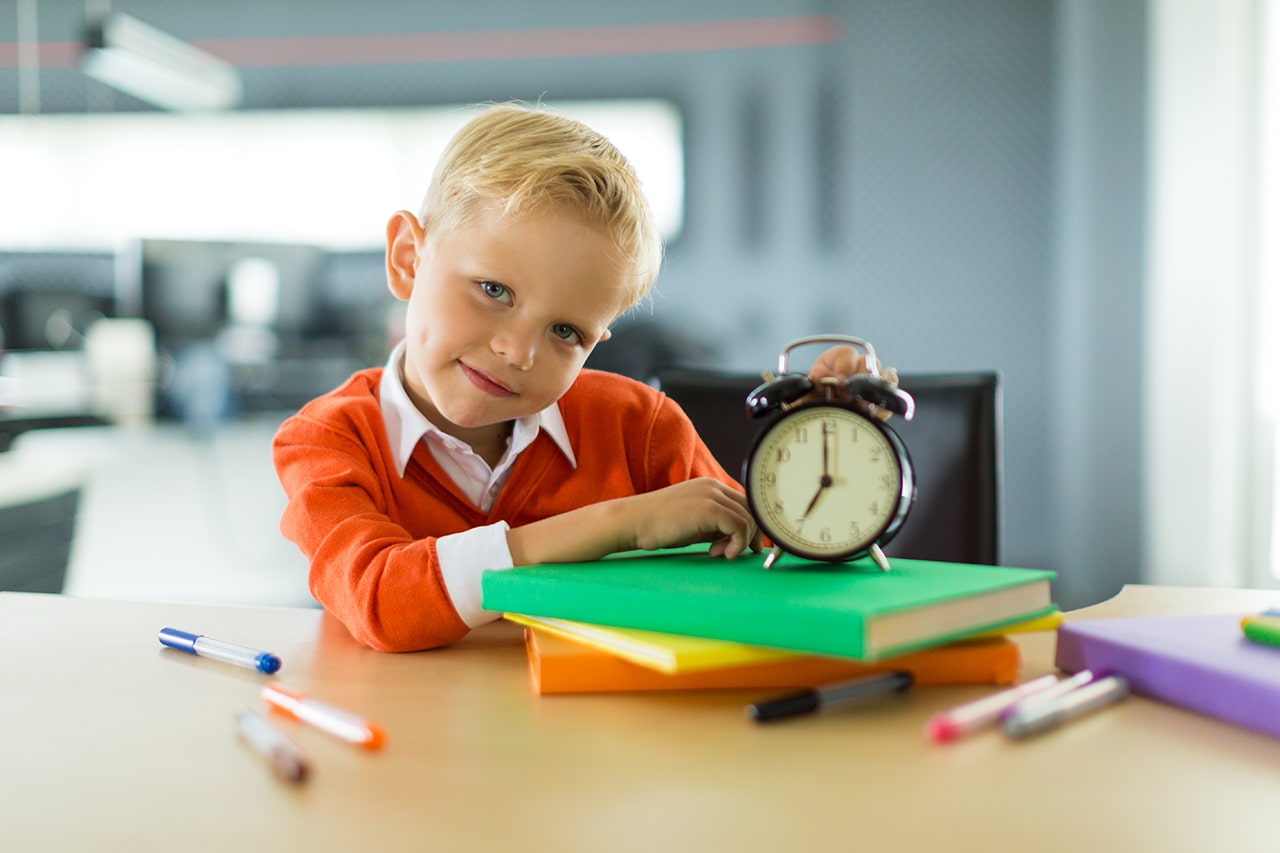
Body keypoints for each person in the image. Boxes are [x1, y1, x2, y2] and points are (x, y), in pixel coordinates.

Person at [272, 103, 880, 652]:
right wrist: (619, 524)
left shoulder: (639, 428)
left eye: (566, 332)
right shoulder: (327, 441)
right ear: (408, 258)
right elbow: (381, 599)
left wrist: (836, 447)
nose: (518, 352)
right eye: (493, 290)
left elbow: (780, 573)